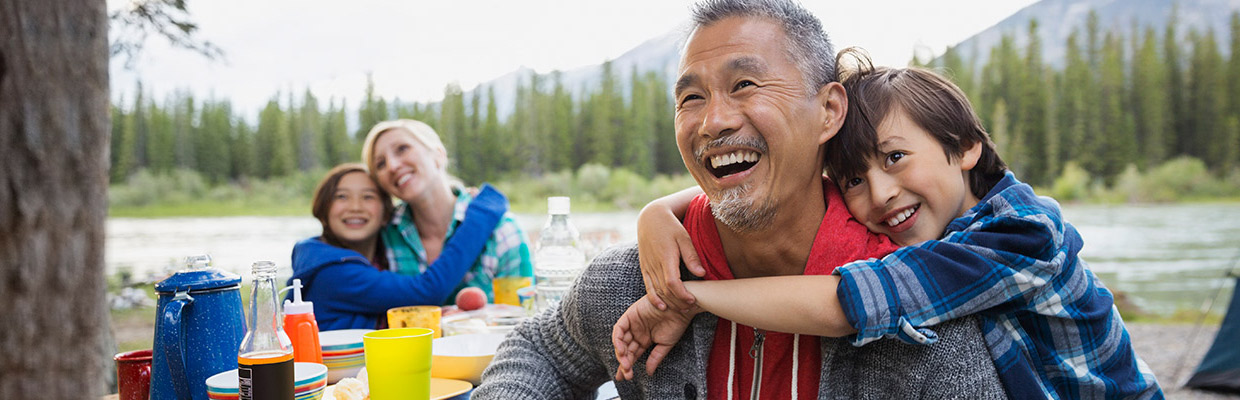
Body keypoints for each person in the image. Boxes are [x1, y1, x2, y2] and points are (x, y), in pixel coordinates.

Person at [473, 1, 1006, 398]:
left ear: (828, 111)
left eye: (746, 83)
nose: (713, 121)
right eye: (691, 98)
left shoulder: (919, 309)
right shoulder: (635, 281)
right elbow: (537, 350)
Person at [618, 55, 1164, 399]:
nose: (879, 193)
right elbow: (769, 181)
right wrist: (658, 212)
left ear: (967, 147)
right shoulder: (955, 228)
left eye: (896, 157)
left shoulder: (1021, 236)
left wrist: (691, 296)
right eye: (854, 179)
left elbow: (847, 304)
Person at [288, 163, 510, 330]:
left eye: (368, 197)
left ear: (386, 214)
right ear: (322, 209)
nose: (355, 207)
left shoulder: (384, 256)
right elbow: (427, 291)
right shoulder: (332, 270)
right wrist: (482, 214)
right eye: (341, 197)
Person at [362, 119, 534, 304]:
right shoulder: (382, 236)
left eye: (402, 149)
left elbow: (522, 318)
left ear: (438, 155)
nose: (392, 166)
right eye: (380, 164)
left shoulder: (503, 230)